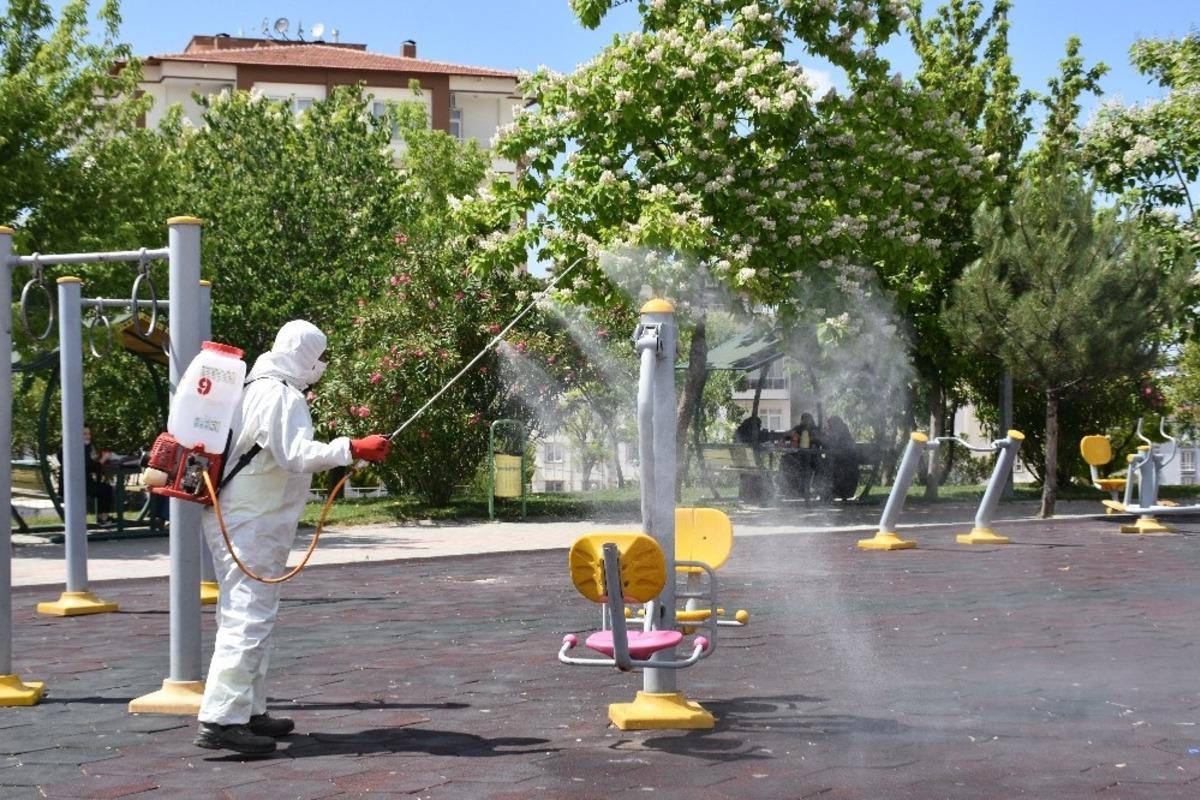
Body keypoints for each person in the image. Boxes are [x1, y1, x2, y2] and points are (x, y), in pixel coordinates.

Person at [194, 320, 392, 756]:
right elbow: (297, 455)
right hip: (251, 522)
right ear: (303, 355)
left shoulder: (254, 387)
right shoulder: (279, 395)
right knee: (249, 616)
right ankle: (222, 718)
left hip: (242, 517)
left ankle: (248, 709)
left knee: (244, 612)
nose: (320, 366)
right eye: (318, 357)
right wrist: (352, 448)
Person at [780, 413, 821, 499]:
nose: (805, 421)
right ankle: (791, 490)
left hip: (813, 457)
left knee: (812, 466)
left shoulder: (814, 429)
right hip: (798, 456)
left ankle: (810, 490)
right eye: (803, 419)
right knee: (785, 460)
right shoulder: (799, 428)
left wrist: (803, 438)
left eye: (806, 419)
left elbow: (817, 440)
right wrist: (790, 434)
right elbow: (786, 435)